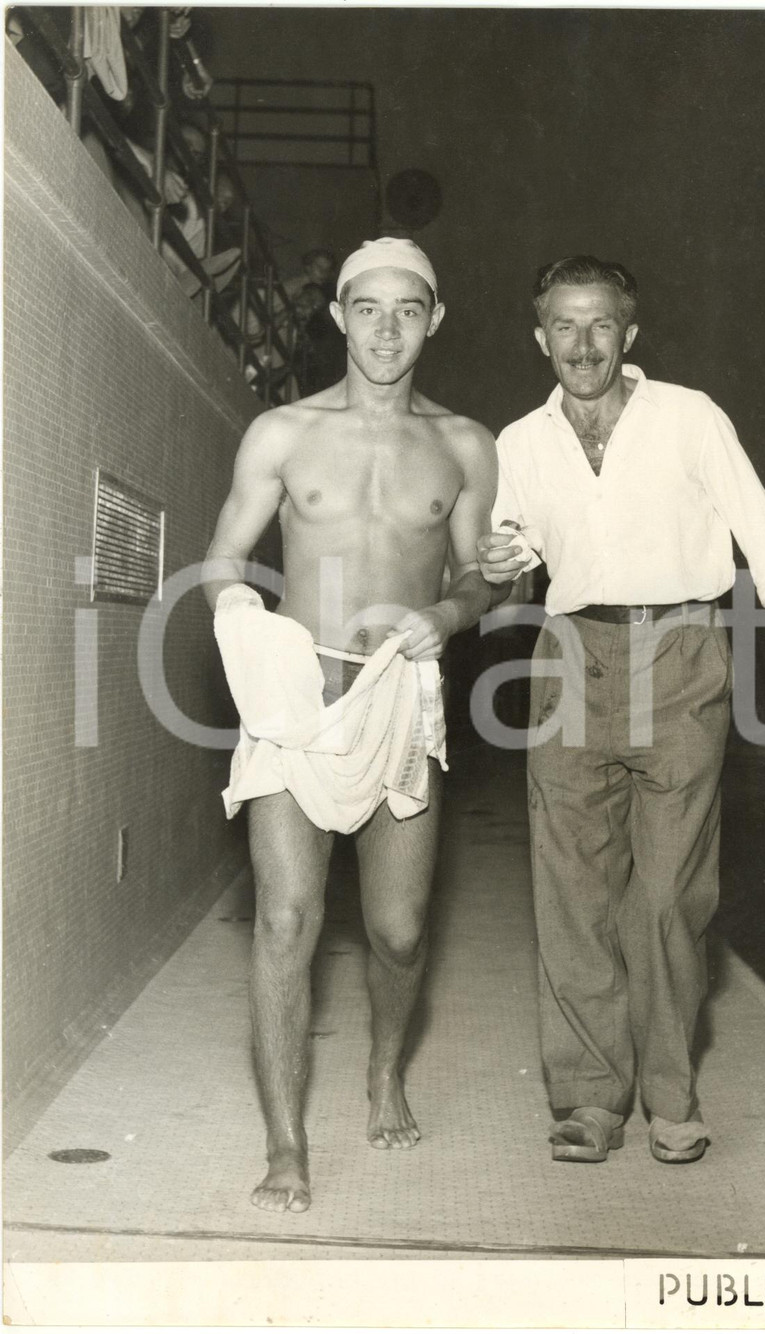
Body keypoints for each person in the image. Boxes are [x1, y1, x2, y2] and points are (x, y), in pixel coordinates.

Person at [477, 255, 765, 1166]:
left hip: (681, 653)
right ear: (541, 338)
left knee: (671, 892)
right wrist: (495, 561)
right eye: (564, 325)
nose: (583, 344)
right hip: (570, 657)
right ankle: (590, 1099)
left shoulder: (690, 417)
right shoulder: (519, 442)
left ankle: (672, 1096)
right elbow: (513, 558)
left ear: (629, 333)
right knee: (572, 892)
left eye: (600, 324)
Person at [203, 237, 500, 1213]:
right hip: (299, 692)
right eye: (366, 309)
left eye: (407, 309)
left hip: (399, 694)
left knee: (399, 932)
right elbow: (223, 555)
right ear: (337, 316)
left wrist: (448, 614)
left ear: (434, 319)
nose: (385, 329)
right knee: (286, 918)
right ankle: (286, 1145)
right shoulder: (282, 432)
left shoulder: (464, 445)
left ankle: (383, 1070)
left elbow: (478, 577)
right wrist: (240, 615)